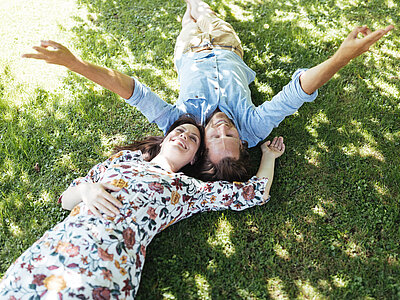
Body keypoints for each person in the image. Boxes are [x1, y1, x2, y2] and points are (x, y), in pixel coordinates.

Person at [22, 1, 393, 182]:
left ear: (201, 150)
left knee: (190, 16)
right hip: (228, 47)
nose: (220, 126)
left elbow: (131, 90)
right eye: (228, 133)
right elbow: (297, 92)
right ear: (243, 141)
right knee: (205, 10)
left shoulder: (180, 128)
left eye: (215, 136)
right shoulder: (252, 127)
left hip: (189, 53)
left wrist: (76, 64)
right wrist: (341, 58)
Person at [0, 112, 286, 298]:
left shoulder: (186, 189)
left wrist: (269, 157)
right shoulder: (122, 161)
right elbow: (65, 200)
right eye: (179, 131)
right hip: (52, 250)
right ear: (164, 141)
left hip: (104, 264)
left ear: (193, 160)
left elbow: (253, 193)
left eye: (192, 138)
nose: (183, 136)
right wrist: (87, 189)